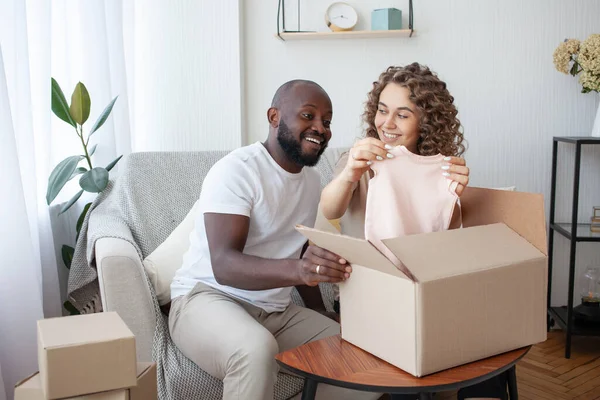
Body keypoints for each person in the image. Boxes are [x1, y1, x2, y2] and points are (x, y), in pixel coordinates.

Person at [169, 80, 378, 400]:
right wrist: (299, 270)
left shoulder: (312, 182)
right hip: (206, 299)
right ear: (274, 117)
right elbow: (224, 264)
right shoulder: (236, 171)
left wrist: (322, 311)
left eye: (327, 121)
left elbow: (301, 251)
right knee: (255, 349)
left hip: (274, 311)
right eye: (308, 116)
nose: (320, 128)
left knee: (362, 352)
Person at [319, 63, 507, 400]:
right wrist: (350, 172)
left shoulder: (441, 166)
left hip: (423, 288)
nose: (386, 124)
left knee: (491, 333)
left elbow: (443, 241)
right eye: (382, 110)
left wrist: (454, 196)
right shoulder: (360, 159)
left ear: (427, 121)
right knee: (410, 356)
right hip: (370, 293)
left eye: (402, 115)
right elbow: (330, 209)